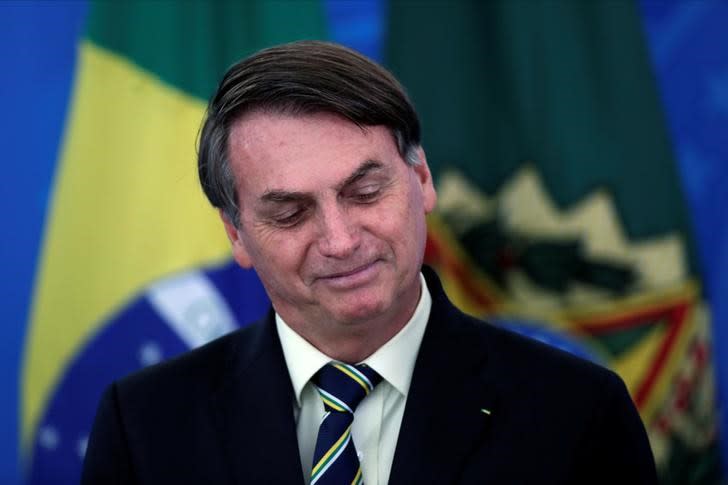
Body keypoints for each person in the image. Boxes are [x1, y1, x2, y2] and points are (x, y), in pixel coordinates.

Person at [81, 41, 658, 484]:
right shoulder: (144, 424)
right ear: (235, 232)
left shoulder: (578, 412)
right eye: (289, 213)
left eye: (365, 192)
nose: (339, 239)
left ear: (422, 179)